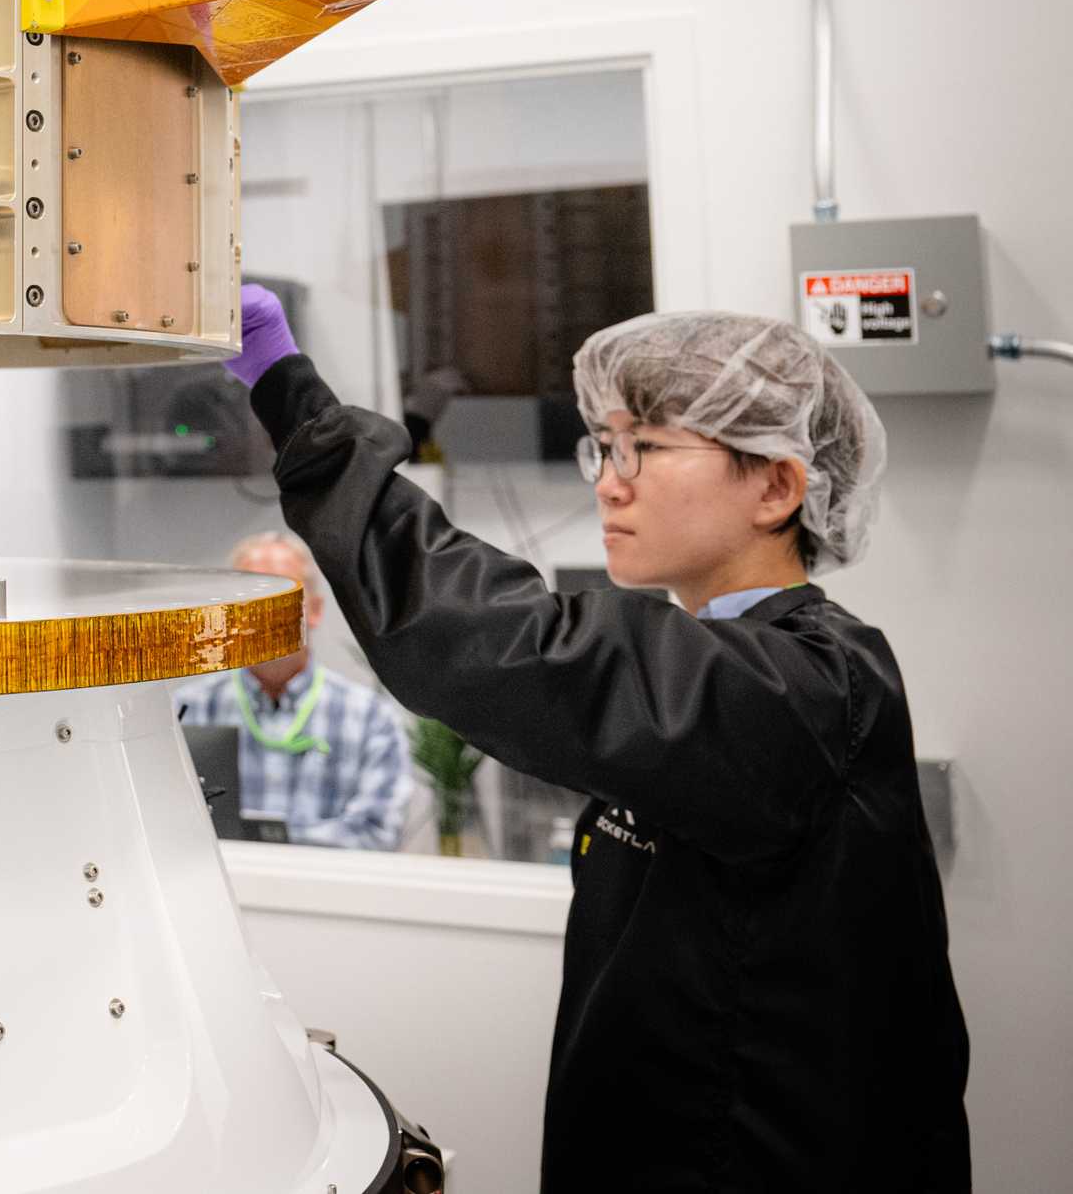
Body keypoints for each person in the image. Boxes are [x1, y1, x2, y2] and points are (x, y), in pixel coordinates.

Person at [227, 287, 968, 1190]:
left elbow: (504, 641)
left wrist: (289, 392)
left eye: (646, 448)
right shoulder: (728, 671)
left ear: (776, 486)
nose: (610, 481)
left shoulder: (804, 689)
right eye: (605, 447)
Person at [174, 531, 412, 849]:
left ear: (314, 610)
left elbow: (377, 833)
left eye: (281, 596)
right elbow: (163, 823)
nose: (264, 613)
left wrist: (264, 843)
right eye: (248, 597)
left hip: (324, 896)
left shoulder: (369, 718)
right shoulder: (188, 711)